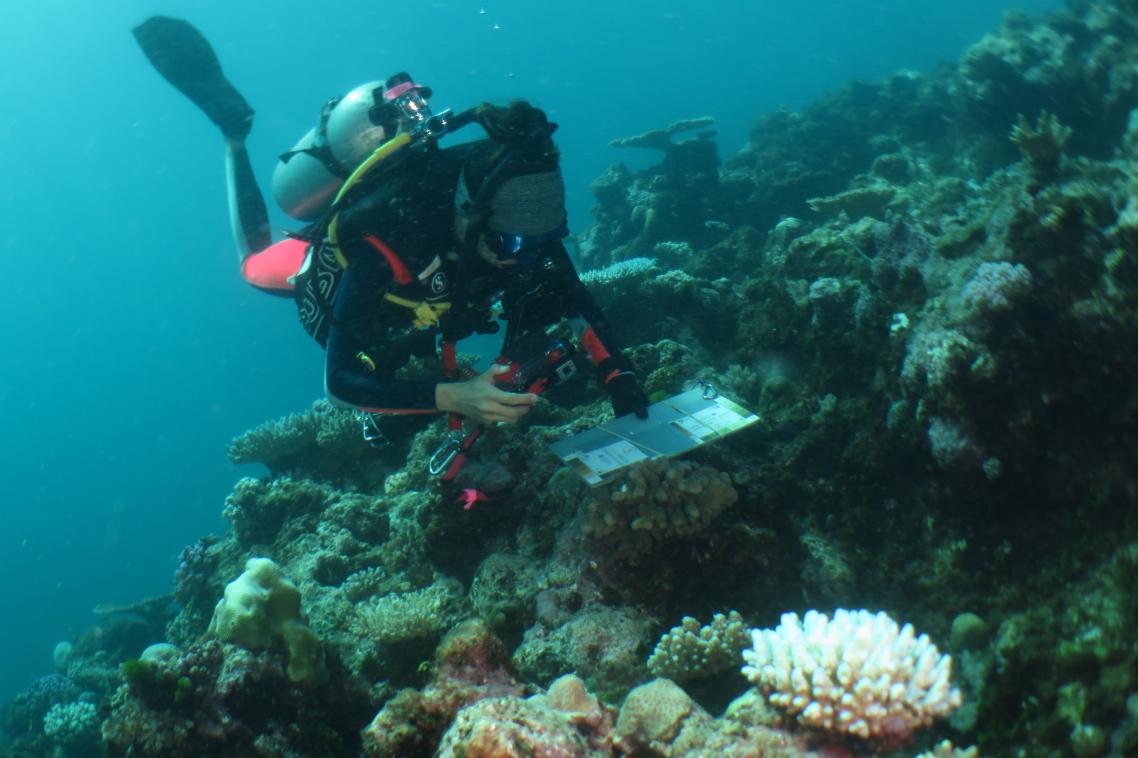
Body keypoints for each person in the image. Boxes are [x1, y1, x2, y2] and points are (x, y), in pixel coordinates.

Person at [133, 18, 648, 453]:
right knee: (255, 265)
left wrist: (619, 378)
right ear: (474, 217)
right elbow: (340, 382)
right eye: (514, 246)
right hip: (350, 271)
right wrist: (455, 395)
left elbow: (577, 299)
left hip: (428, 296)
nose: (530, 257)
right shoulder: (390, 237)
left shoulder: (519, 221)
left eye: (545, 239)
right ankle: (233, 137)